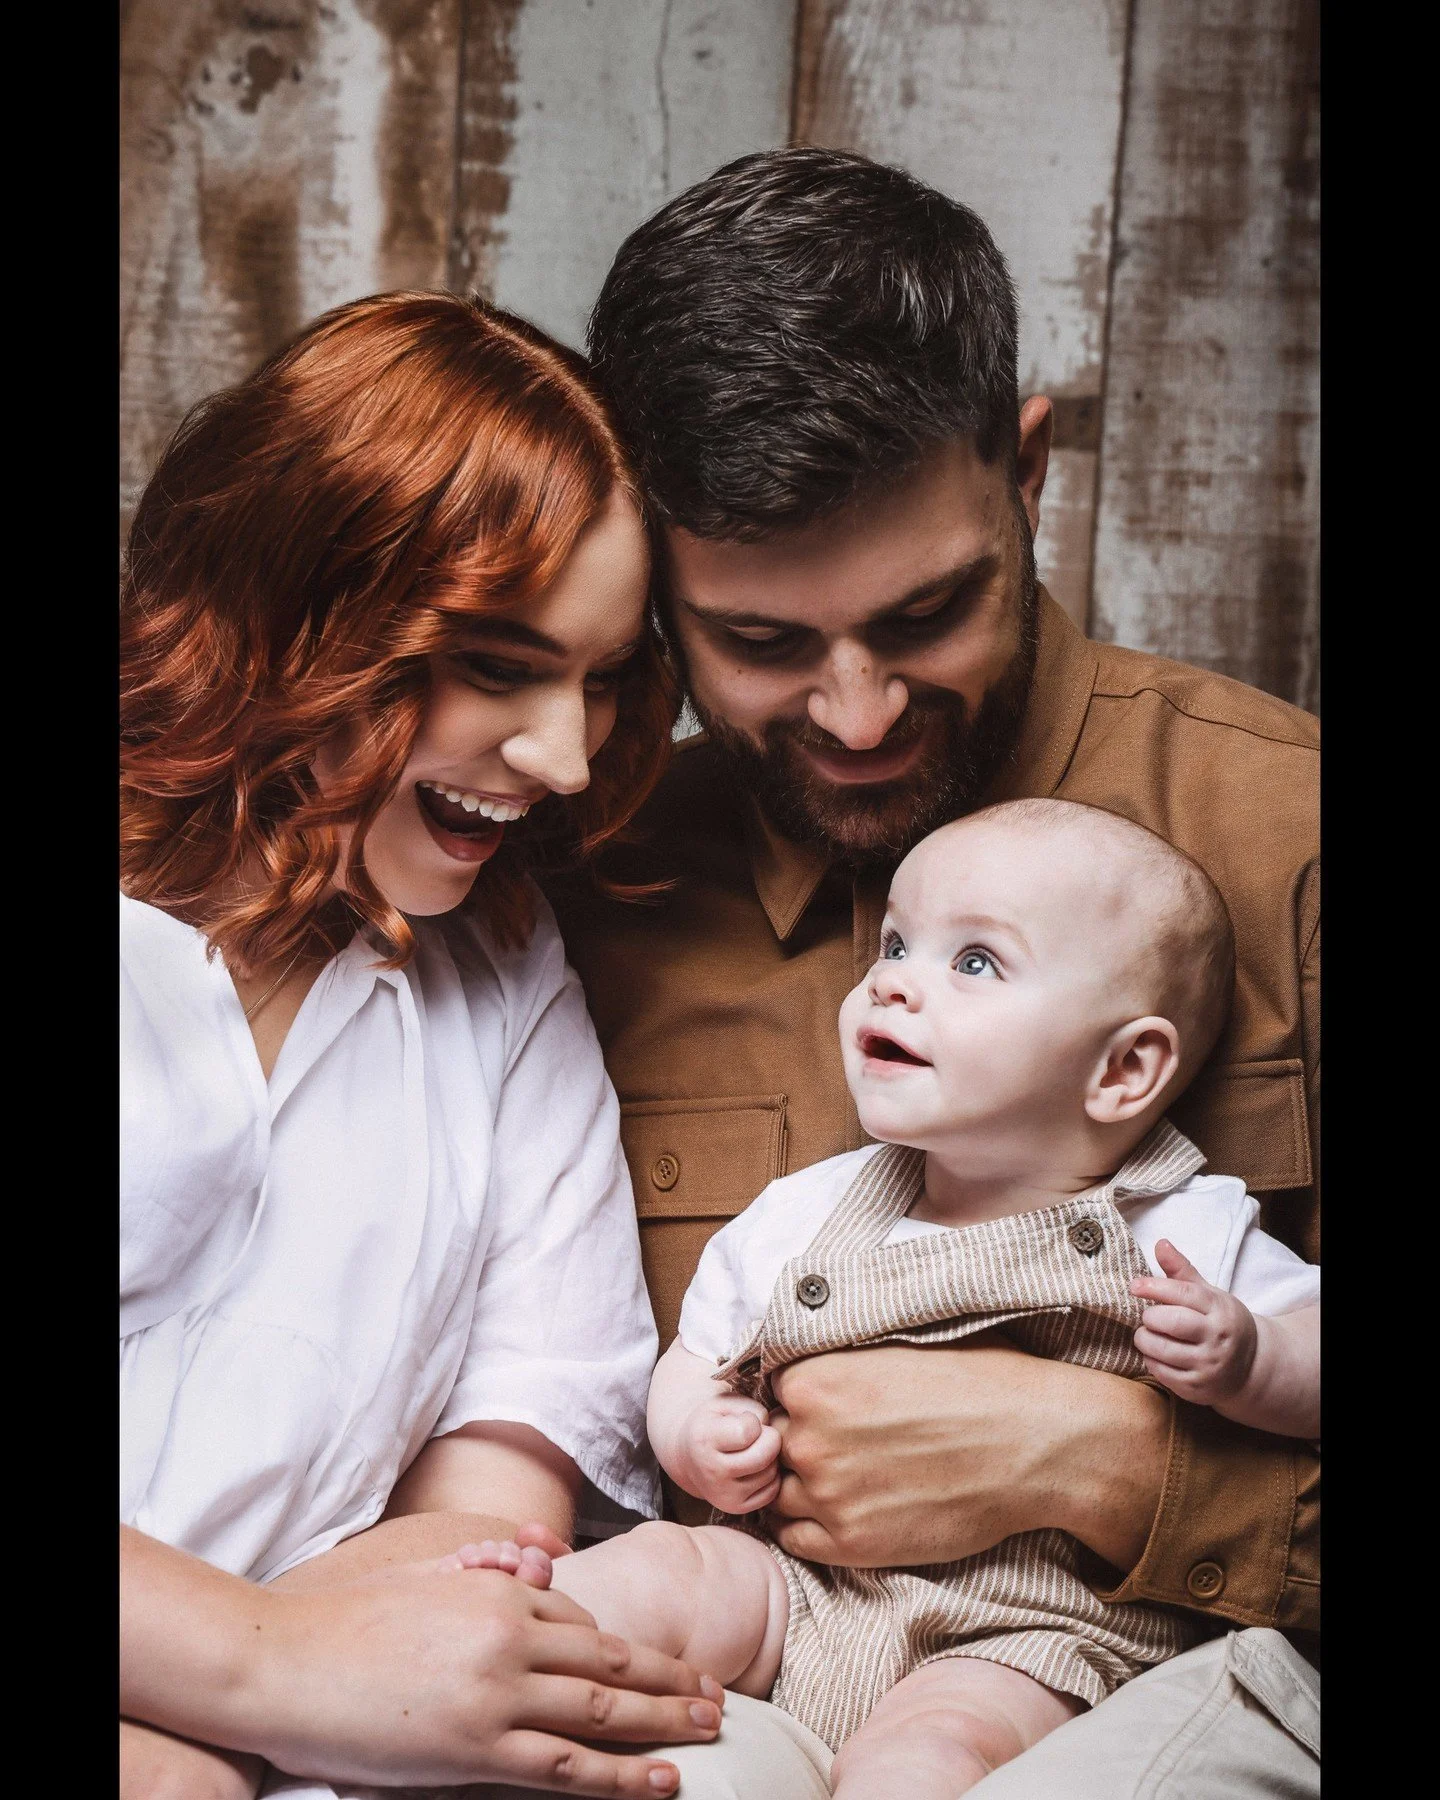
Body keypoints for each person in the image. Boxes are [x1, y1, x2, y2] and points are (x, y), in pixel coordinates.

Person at [547, 147, 1320, 1795]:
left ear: (1026, 470)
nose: (857, 713)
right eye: (760, 644)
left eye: (928, 615)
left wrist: (1116, 1463)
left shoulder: (1289, 834)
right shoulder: (578, 889)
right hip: (755, 1651)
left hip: (1129, 1682)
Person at [119, 290, 729, 1800]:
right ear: (301, 608)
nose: (570, 758)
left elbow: (510, 1458)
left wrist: (295, 1716)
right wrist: (262, 1669)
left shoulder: (504, 978)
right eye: (503, 668)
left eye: (597, 680)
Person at [464, 800, 1319, 1799]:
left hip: (1026, 1632)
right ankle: (511, 1619)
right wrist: (700, 1431)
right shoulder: (812, 1209)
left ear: (1124, 1070)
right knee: (672, 1569)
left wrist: (1254, 1358)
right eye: (897, 944)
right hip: (802, 1584)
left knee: (924, 1755)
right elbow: (695, 1357)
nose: (892, 984)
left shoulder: (1186, 1228)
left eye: (975, 964)